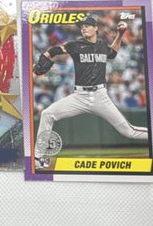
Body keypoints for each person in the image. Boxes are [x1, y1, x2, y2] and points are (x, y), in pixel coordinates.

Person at [32, 16, 148, 170]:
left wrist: (120, 34)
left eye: (87, 26)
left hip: (100, 96)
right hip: (79, 96)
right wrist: (43, 59)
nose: (84, 28)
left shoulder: (102, 45)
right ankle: (37, 157)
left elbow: (113, 53)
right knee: (47, 114)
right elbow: (54, 50)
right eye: (82, 27)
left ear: (96, 28)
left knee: (129, 131)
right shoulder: (75, 45)